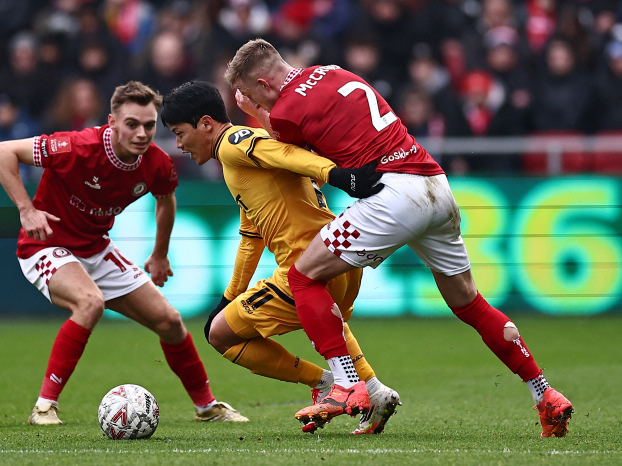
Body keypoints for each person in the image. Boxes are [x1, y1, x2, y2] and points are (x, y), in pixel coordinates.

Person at [225, 38, 573, 437]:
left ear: (265, 86)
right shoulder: (335, 72)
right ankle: (544, 394)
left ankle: (345, 385)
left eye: (256, 97)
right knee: (470, 303)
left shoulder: (283, 108)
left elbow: (289, 157)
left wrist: (255, 114)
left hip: (393, 195)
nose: (259, 106)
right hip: (434, 183)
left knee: (304, 277)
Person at [0, 80, 248, 425]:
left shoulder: (155, 163)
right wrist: (25, 208)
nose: (142, 133)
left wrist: (160, 254)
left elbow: (166, 201)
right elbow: (0, 152)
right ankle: (45, 407)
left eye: (149, 125)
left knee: (170, 321)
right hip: (47, 245)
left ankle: (207, 407)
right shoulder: (75, 146)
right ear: (111, 123)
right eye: (132, 124)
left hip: (95, 248)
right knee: (90, 303)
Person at [159, 80, 400, 434]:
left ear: (206, 124)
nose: (178, 145)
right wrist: (229, 296)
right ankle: (374, 392)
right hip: (342, 261)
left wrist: (337, 175)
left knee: (219, 335)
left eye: (180, 133)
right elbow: (251, 236)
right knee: (328, 323)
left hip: (307, 268)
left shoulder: (232, 145)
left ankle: (325, 384)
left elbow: (284, 155)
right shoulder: (242, 160)